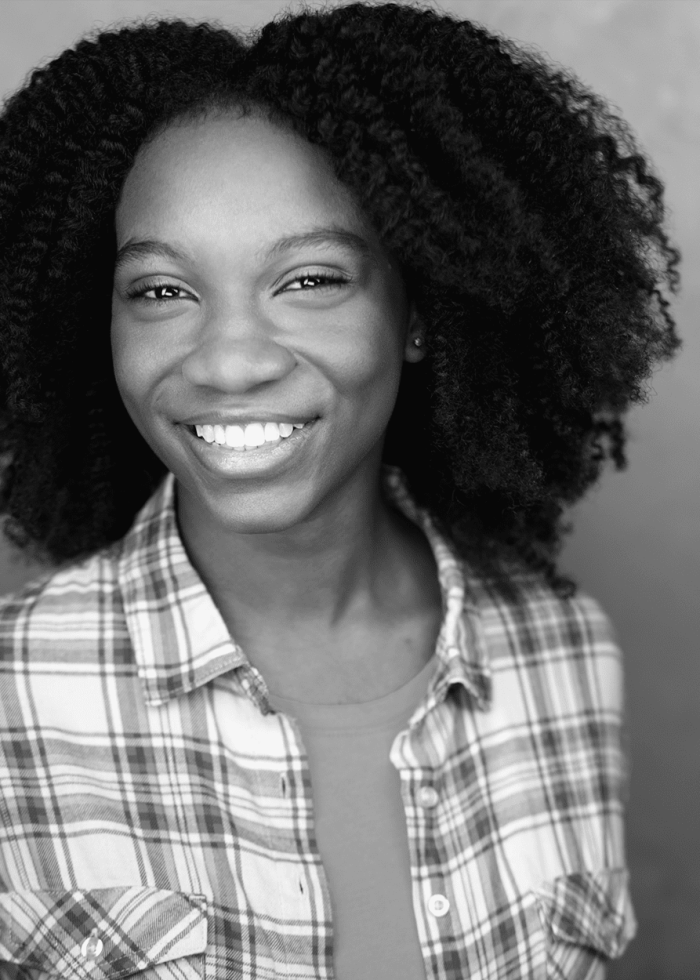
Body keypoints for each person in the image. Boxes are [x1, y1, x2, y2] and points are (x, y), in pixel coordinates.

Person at [0, 5, 680, 979]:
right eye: (161, 290)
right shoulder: (15, 703)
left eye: (310, 278)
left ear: (415, 312)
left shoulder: (565, 652)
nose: (229, 360)